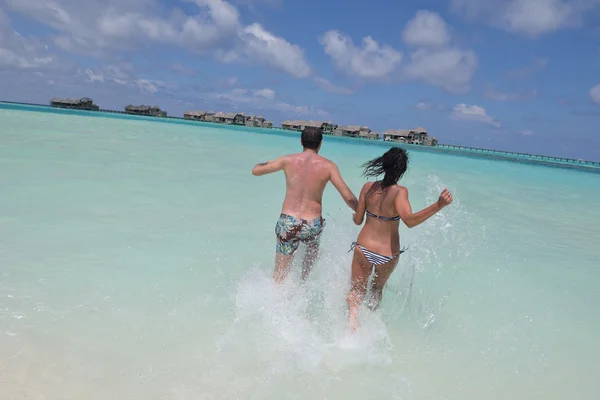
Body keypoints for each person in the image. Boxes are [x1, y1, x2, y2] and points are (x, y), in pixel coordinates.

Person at [346, 147, 453, 331]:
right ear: (402, 170)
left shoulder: (368, 188)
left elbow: (358, 220)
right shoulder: (399, 192)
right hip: (387, 254)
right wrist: (438, 205)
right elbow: (409, 221)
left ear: (383, 164)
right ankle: (369, 328)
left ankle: (352, 324)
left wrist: (354, 214)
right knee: (376, 289)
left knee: (356, 291)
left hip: (363, 248)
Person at [252, 127, 358, 284]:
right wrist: (362, 213)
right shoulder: (329, 166)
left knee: (279, 277)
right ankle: (301, 292)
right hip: (312, 225)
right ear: (320, 144)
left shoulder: (287, 160)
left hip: (288, 222)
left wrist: (267, 162)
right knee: (305, 278)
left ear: (301, 141)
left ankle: (278, 304)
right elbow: (348, 197)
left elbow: (256, 171)